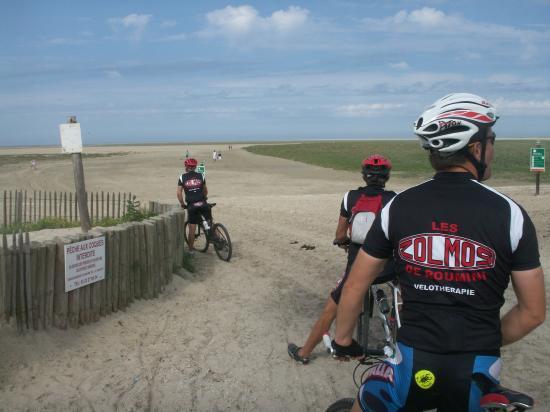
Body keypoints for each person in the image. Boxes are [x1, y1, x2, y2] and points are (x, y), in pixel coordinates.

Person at [332, 93, 546, 411]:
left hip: (414, 361)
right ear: (476, 147)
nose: (493, 148)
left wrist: (343, 341)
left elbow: (355, 285)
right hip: (478, 365)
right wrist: (483, 340)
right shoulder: (510, 214)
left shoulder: (399, 206)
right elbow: (533, 313)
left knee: (369, 395)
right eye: (492, 140)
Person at [288, 155, 396, 364]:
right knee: (402, 295)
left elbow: (339, 234)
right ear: (387, 177)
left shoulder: (350, 197)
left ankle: (304, 353)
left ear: (364, 176)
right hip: (387, 268)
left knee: (331, 309)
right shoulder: (394, 198)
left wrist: (344, 242)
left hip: (358, 268)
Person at [177, 158, 211, 253]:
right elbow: (205, 190)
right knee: (210, 221)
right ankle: (217, 237)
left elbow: (179, 193)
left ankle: (191, 250)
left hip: (192, 205)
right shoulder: (201, 175)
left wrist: (183, 204)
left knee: (192, 228)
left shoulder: (182, 177)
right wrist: (205, 198)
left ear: (186, 167)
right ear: (195, 167)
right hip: (203, 203)